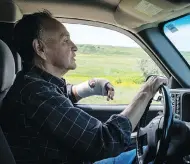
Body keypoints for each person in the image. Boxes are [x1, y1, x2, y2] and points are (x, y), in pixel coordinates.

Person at [0, 10, 188, 164]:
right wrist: (146, 92)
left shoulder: (33, 85)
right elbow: (105, 142)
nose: (74, 47)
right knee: (160, 153)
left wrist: (91, 86)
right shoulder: (36, 94)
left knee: (152, 151)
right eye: (65, 40)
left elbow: (61, 98)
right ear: (40, 48)